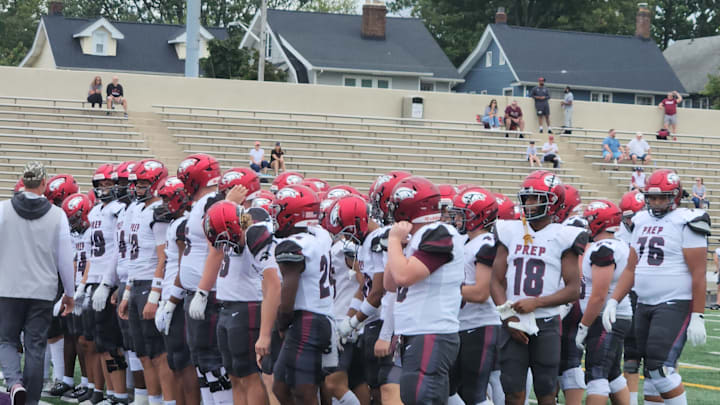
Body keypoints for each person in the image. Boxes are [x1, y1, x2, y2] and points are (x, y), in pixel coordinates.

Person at [603, 169, 708, 405]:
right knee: (649, 372)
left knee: (660, 368)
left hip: (675, 302)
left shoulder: (688, 220)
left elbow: (699, 273)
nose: (657, 202)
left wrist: (698, 314)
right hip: (643, 303)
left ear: (676, 196)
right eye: (653, 197)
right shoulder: (640, 220)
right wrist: (614, 299)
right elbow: (631, 268)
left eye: (663, 197)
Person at [491, 170, 588, 405]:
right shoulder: (509, 230)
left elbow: (574, 289)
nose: (529, 203)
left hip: (546, 322)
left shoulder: (564, 235)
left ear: (553, 202)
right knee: (512, 391)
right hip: (512, 321)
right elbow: (495, 280)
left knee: (546, 390)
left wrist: (538, 302)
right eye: (527, 198)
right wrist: (508, 316)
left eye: (536, 198)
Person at [383, 176, 465, 405]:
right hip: (418, 332)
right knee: (414, 396)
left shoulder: (439, 232)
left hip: (431, 332)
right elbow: (390, 284)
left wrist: (393, 240)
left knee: (422, 398)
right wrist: (398, 244)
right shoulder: (418, 237)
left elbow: (403, 276)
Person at [0, 161, 75, 405]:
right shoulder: (58, 214)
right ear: (44, 184)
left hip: (8, 287)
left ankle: (14, 382)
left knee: (7, 340)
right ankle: (30, 400)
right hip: (43, 291)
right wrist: (70, 292)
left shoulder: (2, 209)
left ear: (23, 182)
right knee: (35, 346)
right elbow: (65, 258)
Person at [271, 184, 334, 405]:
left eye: (279, 210)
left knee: (303, 392)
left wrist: (282, 321)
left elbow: (289, 291)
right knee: (280, 387)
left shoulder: (294, 244)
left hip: (306, 320)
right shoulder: (321, 235)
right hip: (321, 317)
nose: (275, 216)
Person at [575, 200, 632, 405]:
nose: (588, 224)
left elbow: (599, 296)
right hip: (617, 316)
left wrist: (584, 325)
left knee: (596, 374)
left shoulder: (603, 248)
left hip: (605, 318)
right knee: (613, 373)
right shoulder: (620, 245)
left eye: (590, 219)